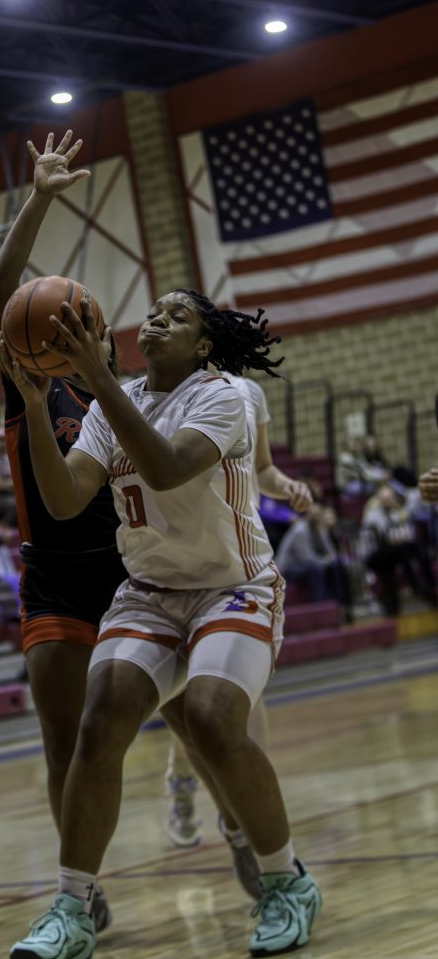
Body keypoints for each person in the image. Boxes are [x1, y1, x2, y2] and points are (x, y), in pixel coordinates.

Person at [5, 288, 321, 959]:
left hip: (232, 588)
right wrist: (35, 407)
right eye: (153, 311)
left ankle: (286, 881)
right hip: (150, 592)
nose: (156, 319)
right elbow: (63, 500)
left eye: (177, 316)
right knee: (100, 720)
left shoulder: (223, 397)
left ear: (204, 346)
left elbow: (166, 468)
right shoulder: (110, 402)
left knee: (210, 717)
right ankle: (72, 908)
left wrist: (94, 378)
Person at [0, 130, 128, 934]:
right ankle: (84, 882)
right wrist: (39, 198)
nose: (71, 330)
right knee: (63, 741)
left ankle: (238, 824)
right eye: (61, 321)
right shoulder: (30, 388)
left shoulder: (124, 401)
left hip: (130, 571)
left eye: (85, 323)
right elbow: (4, 284)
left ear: (104, 337)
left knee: (194, 719)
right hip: (54, 577)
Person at [164, 372, 312, 876]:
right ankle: (182, 780)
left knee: (239, 696)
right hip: (180, 564)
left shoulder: (249, 391)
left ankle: (245, 814)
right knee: (191, 700)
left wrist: (285, 486)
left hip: (240, 563)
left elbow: (262, 468)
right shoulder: (164, 390)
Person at [361, 482, 436, 616]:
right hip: (374, 553)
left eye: (390, 498)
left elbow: (405, 532)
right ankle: (415, 585)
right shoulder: (372, 515)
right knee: (402, 549)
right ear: (380, 500)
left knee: (417, 548)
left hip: (394, 551)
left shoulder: (395, 512)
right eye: (385, 499)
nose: (388, 501)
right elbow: (381, 536)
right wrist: (395, 536)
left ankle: (430, 584)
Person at [274, 502, 350, 607]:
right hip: (287, 568)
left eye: (319, 515)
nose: (318, 518)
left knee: (335, 565)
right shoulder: (300, 530)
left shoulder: (319, 528)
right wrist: (327, 560)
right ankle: (321, 605)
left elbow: (330, 552)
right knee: (315, 570)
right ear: (308, 515)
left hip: (305, 564)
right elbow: (307, 559)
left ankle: (340, 604)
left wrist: (322, 534)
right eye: (315, 516)